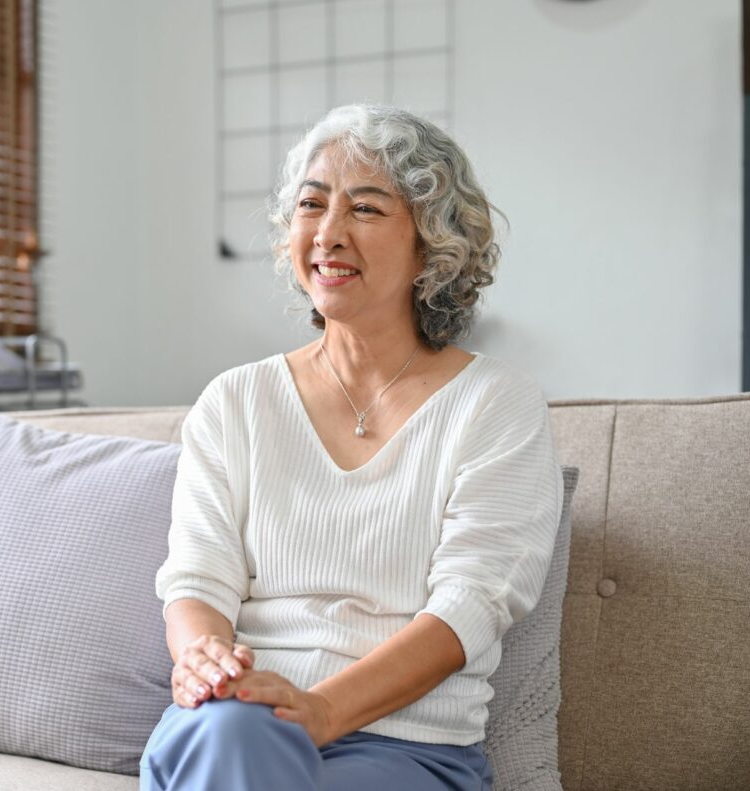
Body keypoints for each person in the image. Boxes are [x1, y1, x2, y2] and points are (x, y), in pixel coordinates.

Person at [139, 104, 564, 791]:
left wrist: (322, 709)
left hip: (406, 746)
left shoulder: (497, 405)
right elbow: (196, 581)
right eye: (312, 204)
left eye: (365, 209)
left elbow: (470, 606)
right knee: (239, 735)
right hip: (235, 726)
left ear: (433, 242)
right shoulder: (234, 402)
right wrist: (205, 659)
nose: (328, 233)